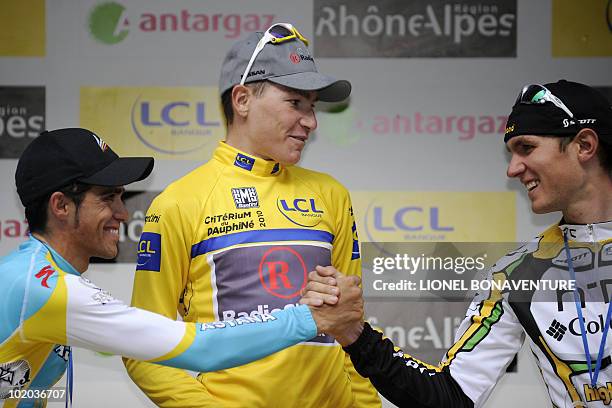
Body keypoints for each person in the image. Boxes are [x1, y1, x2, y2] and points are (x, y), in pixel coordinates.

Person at [302, 80, 612, 407]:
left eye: (527, 147)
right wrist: (354, 334)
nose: (512, 169)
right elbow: (450, 399)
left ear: (584, 145)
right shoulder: (518, 274)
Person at [0, 128, 362, 408]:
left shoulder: (32, 275)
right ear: (61, 205)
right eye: (108, 197)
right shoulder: (44, 288)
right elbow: (199, 348)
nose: (124, 213)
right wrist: (310, 319)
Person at [123, 23, 381, 407]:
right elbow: (142, 347)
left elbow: (349, 327)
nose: (311, 121)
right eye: (296, 103)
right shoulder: (179, 202)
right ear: (242, 100)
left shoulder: (330, 194)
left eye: (312, 105)